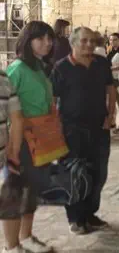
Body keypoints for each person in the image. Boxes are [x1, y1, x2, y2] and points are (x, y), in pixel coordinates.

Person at [50, 26, 116, 234]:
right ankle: (75, 217)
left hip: (99, 127)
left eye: (91, 41)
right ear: (73, 43)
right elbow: (52, 100)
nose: (89, 44)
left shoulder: (101, 63)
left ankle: (90, 213)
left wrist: (110, 114)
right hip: (71, 129)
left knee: (99, 173)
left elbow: (110, 88)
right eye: (83, 41)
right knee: (74, 174)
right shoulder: (61, 68)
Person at [1, 21, 56, 253]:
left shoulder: (40, 67)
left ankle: (27, 235)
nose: (47, 43)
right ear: (27, 41)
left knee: (32, 188)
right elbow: (10, 109)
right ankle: (11, 244)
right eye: (41, 38)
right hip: (21, 139)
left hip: (40, 137)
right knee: (14, 189)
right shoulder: (16, 70)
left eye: (49, 38)